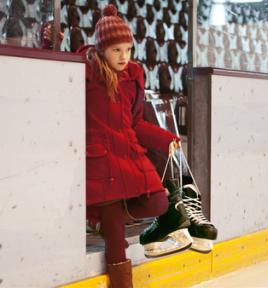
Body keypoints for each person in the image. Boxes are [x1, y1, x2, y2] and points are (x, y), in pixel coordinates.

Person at [46, 4, 180, 287]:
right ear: (103, 48)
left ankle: (97, 218)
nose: (123, 56)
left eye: (128, 49)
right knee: (115, 234)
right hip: (99, 160)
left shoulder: (133, 76)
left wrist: (166, 138)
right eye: (116, 50)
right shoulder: (87, 71)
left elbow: (135, 124)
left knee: (158, 200)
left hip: (127, 155)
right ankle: (122, 282)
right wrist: (50, 42)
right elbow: (55, 74)